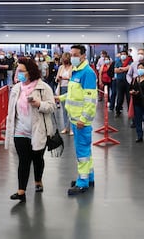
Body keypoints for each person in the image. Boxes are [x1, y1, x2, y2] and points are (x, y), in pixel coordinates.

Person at [5, 57, 56, 203]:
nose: (18, 73)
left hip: (38, 130)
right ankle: (21, 191)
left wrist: (39, 104)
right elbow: (12, 111)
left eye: (21, 71)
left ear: (30, 72)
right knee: (23, 161)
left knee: (38, 158)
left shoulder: (43, 88)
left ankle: (38, 180)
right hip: (20, 131)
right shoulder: (16, 88)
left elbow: (52, 107)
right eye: (17, 71)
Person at [56, 44, 97, 195]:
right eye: (71, 54)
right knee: (86, 151)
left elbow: (90, 99)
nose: (72, 57)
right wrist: (59, 98)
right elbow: (73, 95)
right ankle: (89, 177)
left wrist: (83, 119)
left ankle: (82, 182)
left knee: (82, 152)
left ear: (83, 56)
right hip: (75, 119)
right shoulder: (76, 71)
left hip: (81, 122)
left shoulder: (87, 73)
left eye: (75, 54)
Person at [56, 52, 73, 135]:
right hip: (62, 88)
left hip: (70, 89)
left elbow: (73, 79)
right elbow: (57, 78)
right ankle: (66, 127)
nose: (65, 60)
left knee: (71, 109)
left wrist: (66, 78)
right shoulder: (61, 67)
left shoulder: (73, 67)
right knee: (64, 110)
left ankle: (72, 128)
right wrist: (59, 79)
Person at [114, 50, 133, 116]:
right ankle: (118, 111)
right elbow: (115, 70)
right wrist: (124, 69)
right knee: (120, 96)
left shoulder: (130, 61)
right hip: (120, 81)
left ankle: (130, 111)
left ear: (127, 55)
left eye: (124, 54)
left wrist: (121, 69)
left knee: (129, 97)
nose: (123, 55)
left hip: (128, 81)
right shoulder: (117, 61)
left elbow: (129, 68)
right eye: (121, 54)